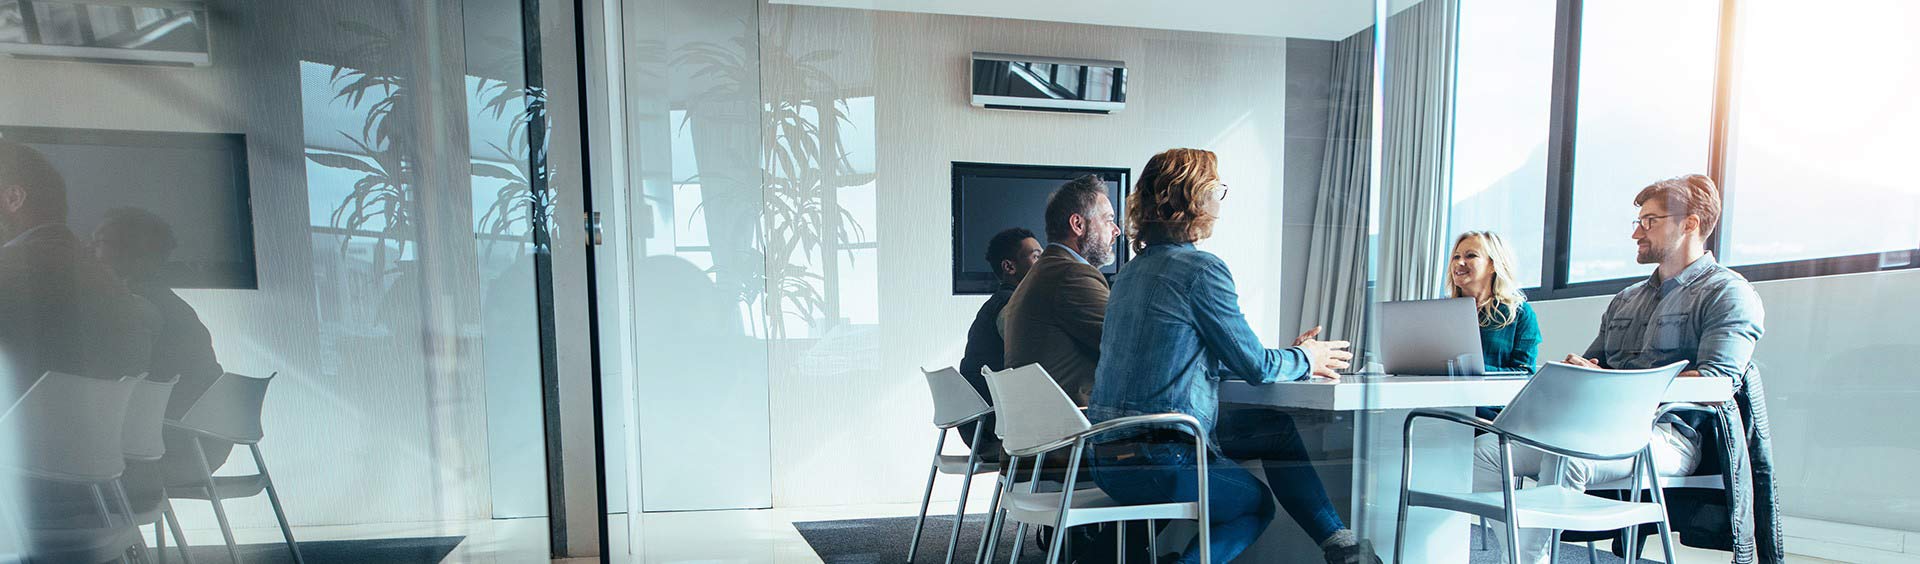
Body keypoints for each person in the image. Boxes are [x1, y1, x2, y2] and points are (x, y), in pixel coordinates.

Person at [1086, 148, 1375, 564]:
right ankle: (1341, 549)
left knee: (1274, 429)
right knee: (1255, 506)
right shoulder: (1201, 270)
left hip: (1105, 458)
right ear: (1194, 198)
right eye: (1217, 189)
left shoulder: (1129, 273)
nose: (1220, 201)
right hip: (1160, 460)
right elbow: (1255, 367)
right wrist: (1306, 357)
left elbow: (1185, 355)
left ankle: (1341, 546)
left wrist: (1289, 355)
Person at [1473, 174, 1765, 564]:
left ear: (1690, 224)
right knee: (1485, 453)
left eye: (1650, 222)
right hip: (1593, 429)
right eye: (1638, 222)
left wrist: (1613, 383)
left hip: (1669, 434)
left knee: (1567, 453)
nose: (1636, 234)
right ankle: (1520, 556)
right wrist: (1581, 368)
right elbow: (1598, 365)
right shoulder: (1626, 299)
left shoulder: (1729, 293)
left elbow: (1718, 383)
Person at [0, 141, 153, 399]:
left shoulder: (15, 267)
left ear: (13, 198)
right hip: (94, 435)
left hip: (26, 434)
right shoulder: (98, 273)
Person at [1001, 175, 1119, 406]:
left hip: (1043, 424)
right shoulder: (1070, 275)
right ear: (1078, 225)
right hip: (1076, 429)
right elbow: (1128, 342)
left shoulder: (1046, 269)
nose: (1116, 230)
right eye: (1108, 220)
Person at [958, 227, 1041, 459]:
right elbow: (1027, 360)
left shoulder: (998, 302)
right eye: (1036, 256)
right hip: (995, 430)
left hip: (980, 425)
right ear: (1009, 267)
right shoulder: (1012, 307)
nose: (1044, 263)